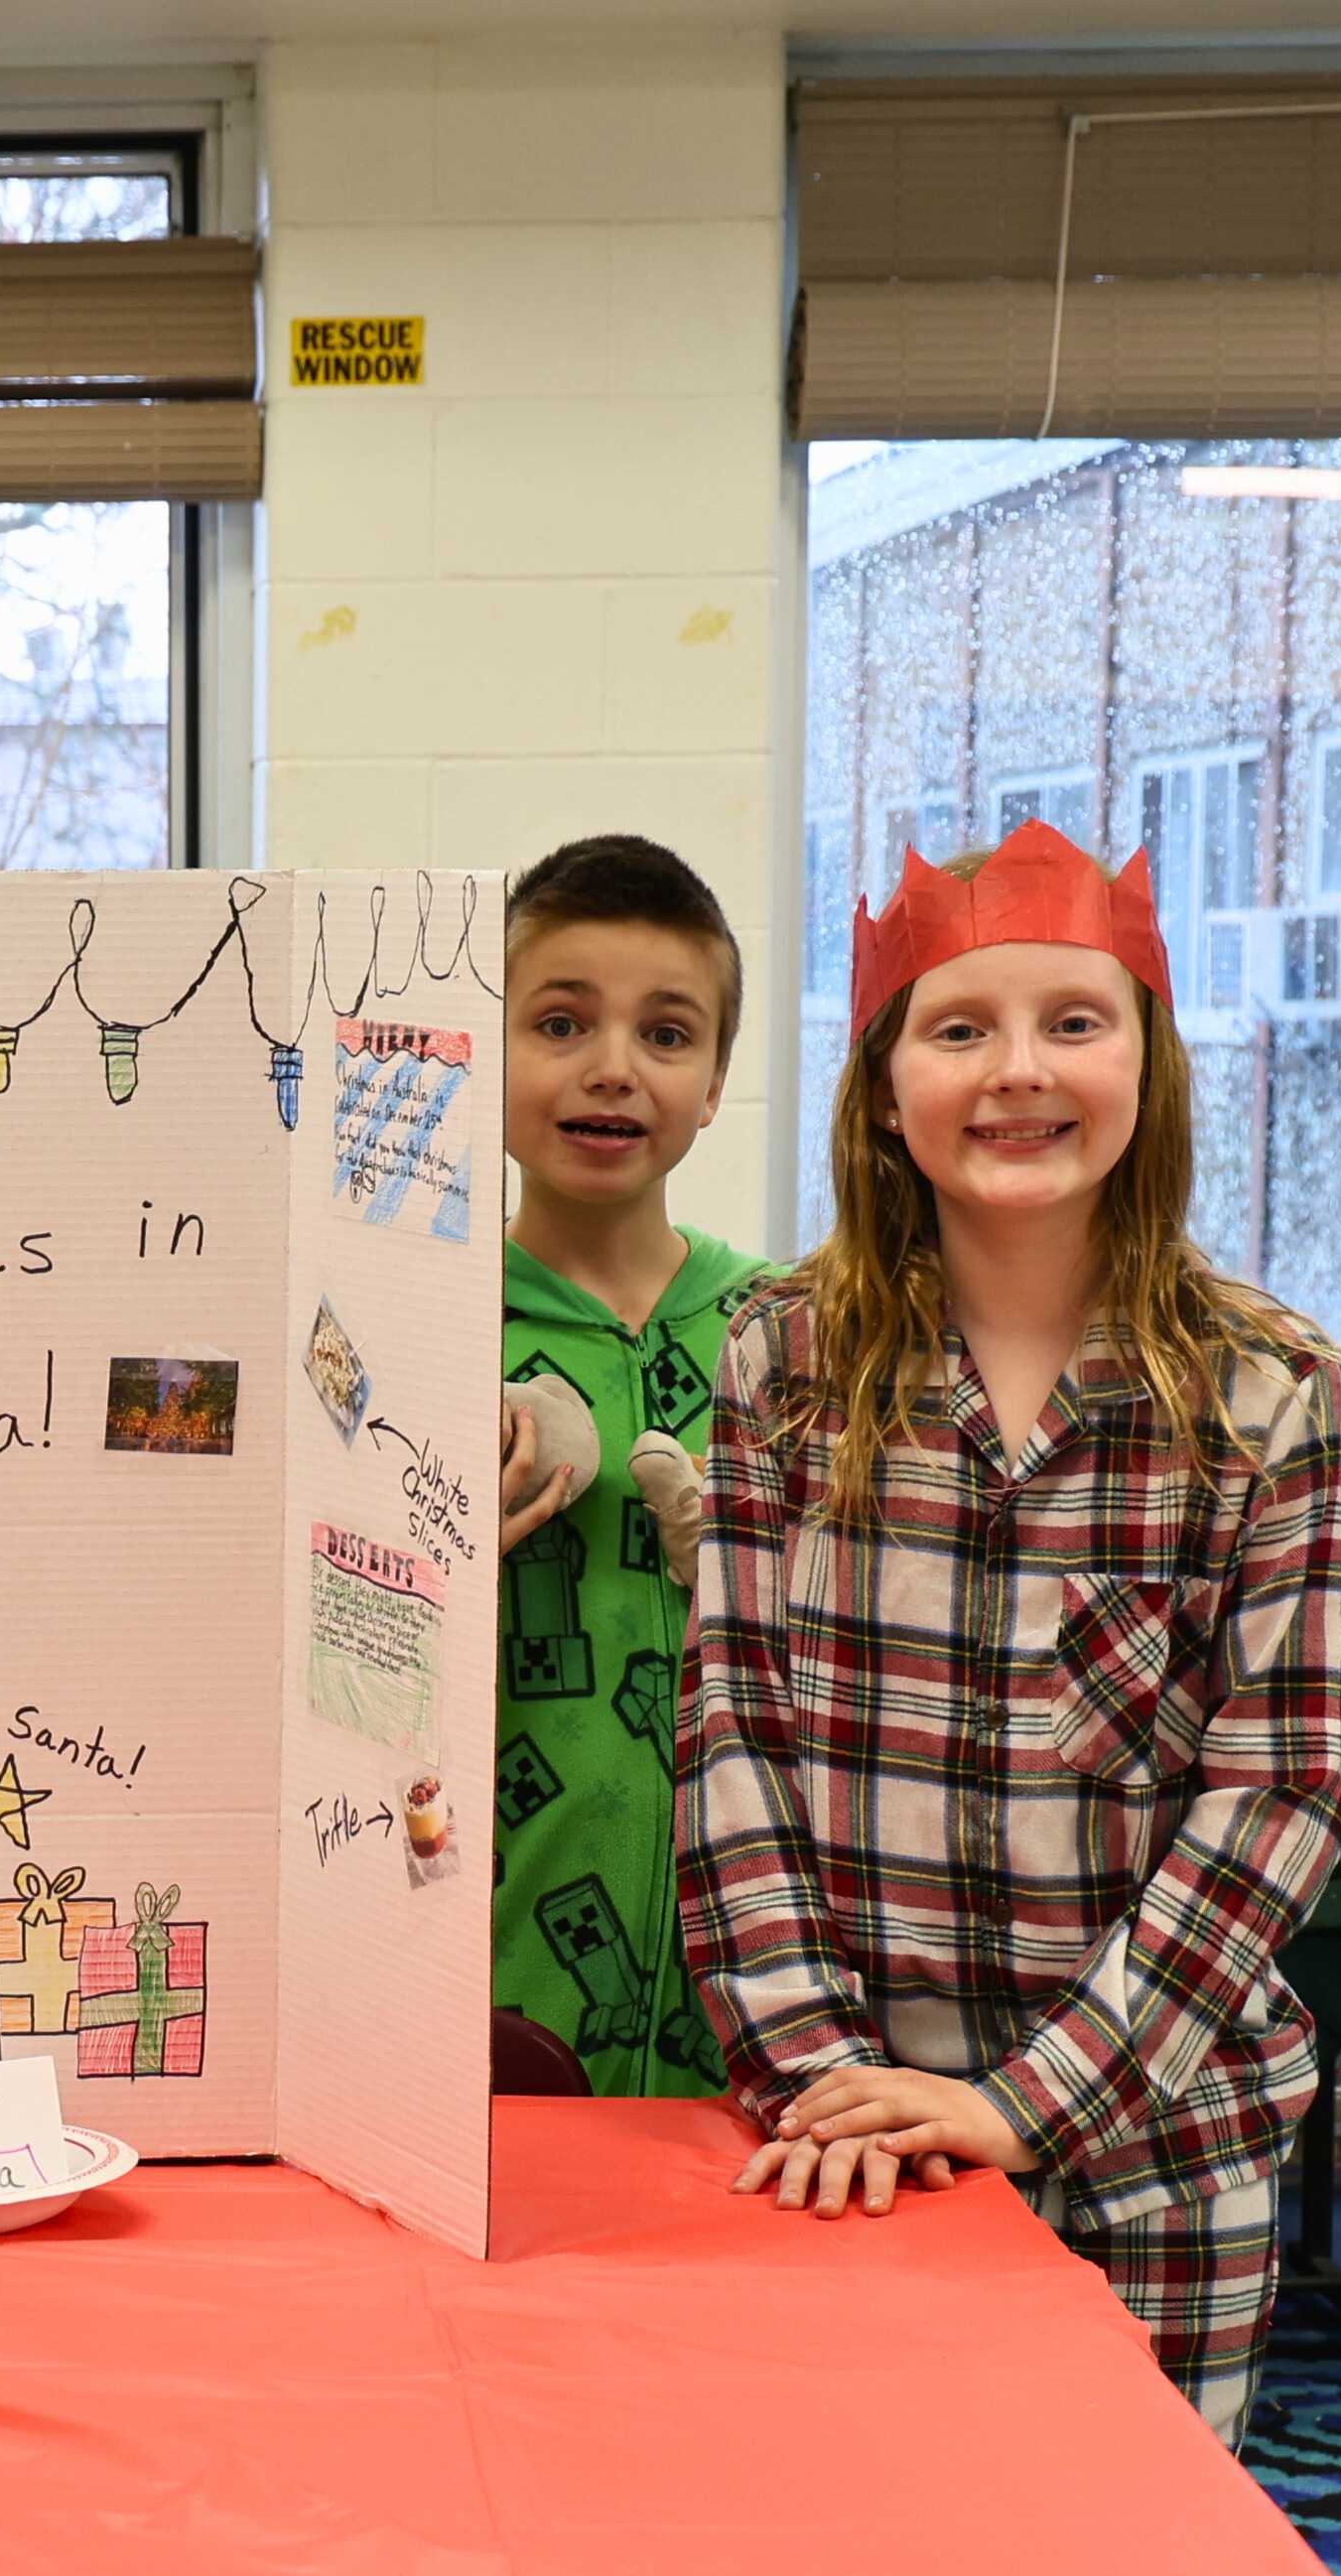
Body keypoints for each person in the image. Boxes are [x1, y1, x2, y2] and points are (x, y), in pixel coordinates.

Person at [675, 818, 1341, 2576]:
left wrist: (1036, 2097)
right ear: (881, 1081)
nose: (1016, 1074)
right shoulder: (782, 1361)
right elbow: (720, 1719)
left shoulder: (1265, 1394)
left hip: (1150, 2166)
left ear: (1145, 1061)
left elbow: (1278, 1787)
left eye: (1069, 1024)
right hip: (828, 2161)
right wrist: (831, 2058)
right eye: (959, 1030)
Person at [488, 834, 763, 2096]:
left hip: (762, 1999)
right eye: (558, 1021)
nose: (613, 1068)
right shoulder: (421, 1321)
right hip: (494, 1988)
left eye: (667, 1034)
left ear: (714, 1083)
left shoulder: (792, 1328)